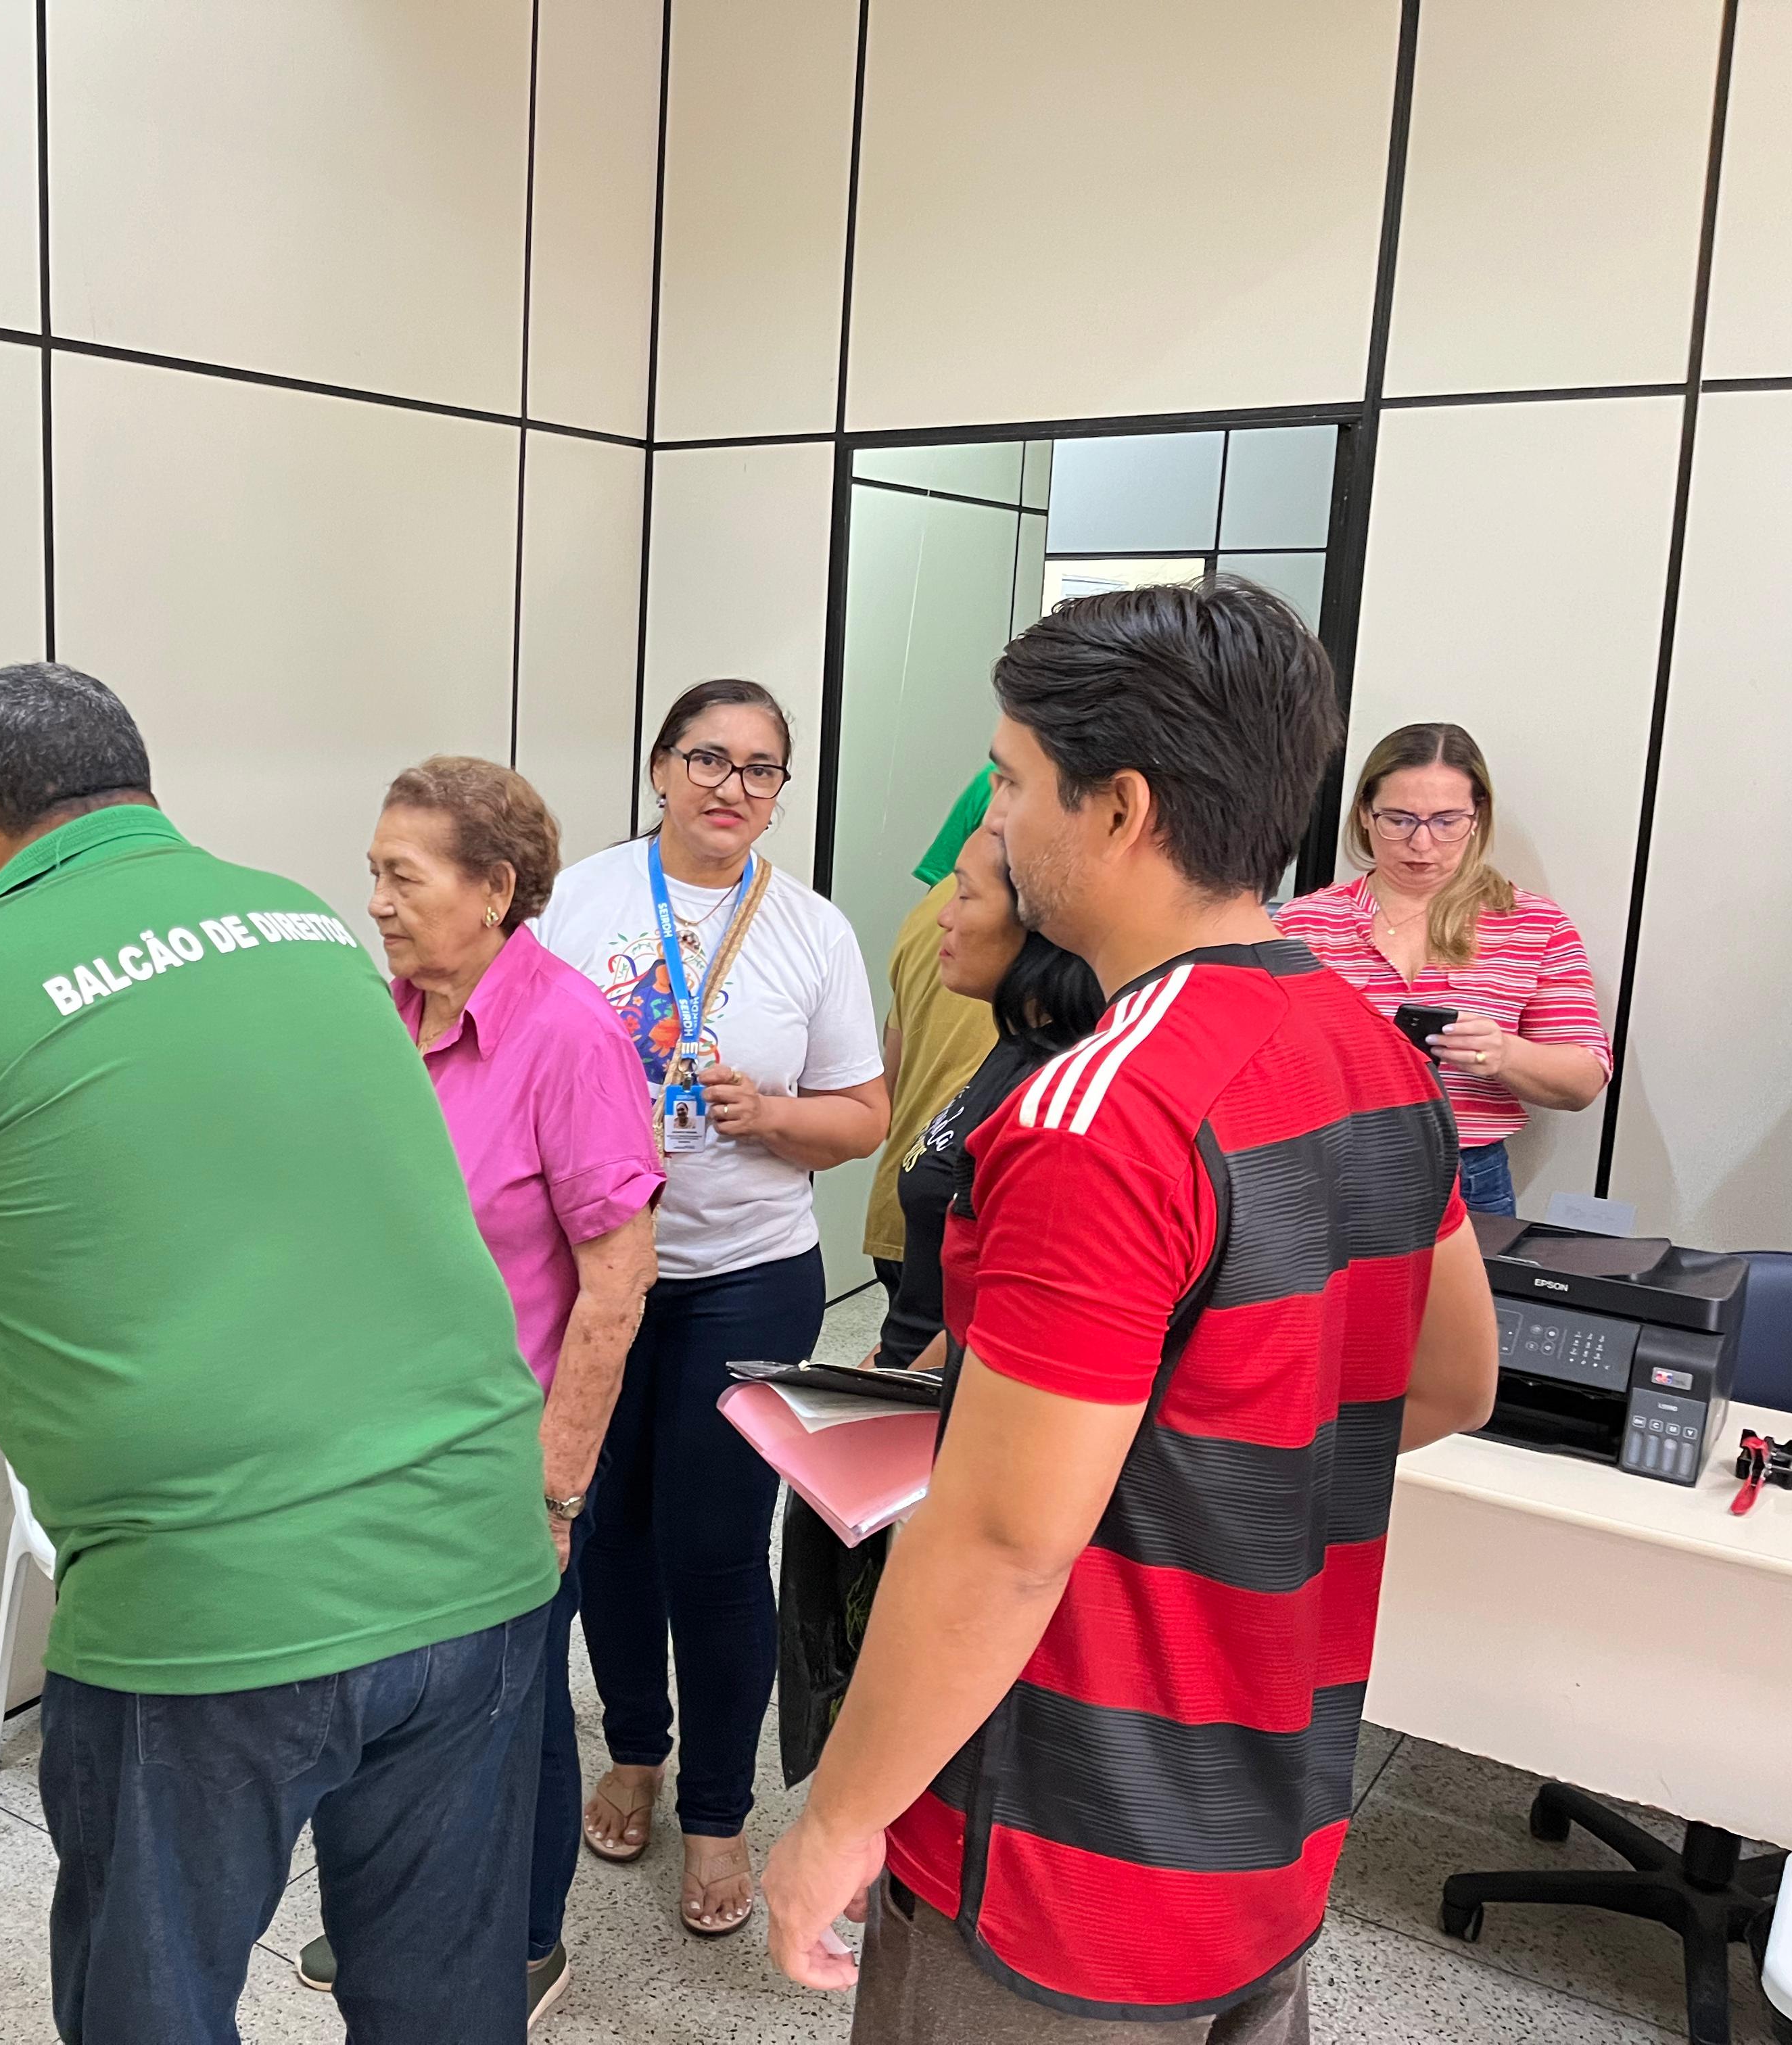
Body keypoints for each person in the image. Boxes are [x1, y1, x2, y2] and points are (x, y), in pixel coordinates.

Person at [0, 665, 562, 2045]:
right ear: (139, 792)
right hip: (476, 1554)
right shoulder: (305, 924)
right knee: (445, 2008)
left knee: (150, 2011)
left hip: (207, 1608)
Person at [761, 580, 1503, 2042]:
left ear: (1120, 809)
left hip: (1059, 1848)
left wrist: (839, 1817)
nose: (992, 820)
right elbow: (1449, 1382)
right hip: (1267, 1817)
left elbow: (1003, 1541)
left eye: (1012, 781)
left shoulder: (1098, 1110)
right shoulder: (1368, 1049)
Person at [291, 755, 663, 2025]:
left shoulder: (568, 1036)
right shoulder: (385, 1012)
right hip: (380, 1446)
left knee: (508, 1710)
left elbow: (615, 1285)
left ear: (495, 888)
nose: (377, 901)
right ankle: (394, 1912)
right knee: (392, 1700)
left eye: (404, 876)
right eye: (373, 874)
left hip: (502, 1459)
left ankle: (520, 1941)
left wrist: (555, 1491)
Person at [535, 678, 889, 1937]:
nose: (731, 786)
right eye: (706, 758)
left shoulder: (811, 930)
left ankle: (719, 1812)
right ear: (658, 767)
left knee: (721, 1546)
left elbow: (864, 1117)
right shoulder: (578, 900)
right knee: (610, 1531)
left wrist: (772, 1116)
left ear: (780, 789)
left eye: (760, 767)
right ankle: (635, 1748)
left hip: (747, 1272)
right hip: (598, 1278)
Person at [780, 826, 1104, 1783]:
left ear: (1040, 930)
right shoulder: (1009, 1048)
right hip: (918, 1399)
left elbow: (1004, 1301)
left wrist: (903, 1390)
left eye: (964, 897)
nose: (940, 921)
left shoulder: (1058, 1085)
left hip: (960, 1433)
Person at [1277, 722, 1611, 1217]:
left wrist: (1504, 1053)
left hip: (1466, 1176)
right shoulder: (1303, 924)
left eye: (1446, 821)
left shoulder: (1534, 924)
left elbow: (1583, 1080)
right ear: (1365, 815)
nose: (1421, 844)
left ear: (1478, 819)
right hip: (1321, 1167)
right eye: (1399, 820)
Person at [859, 775, 1003, 1311]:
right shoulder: (1038, 934)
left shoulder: (927, 917)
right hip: (966, 1219)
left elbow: (889, 1078)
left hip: (904, 1195)